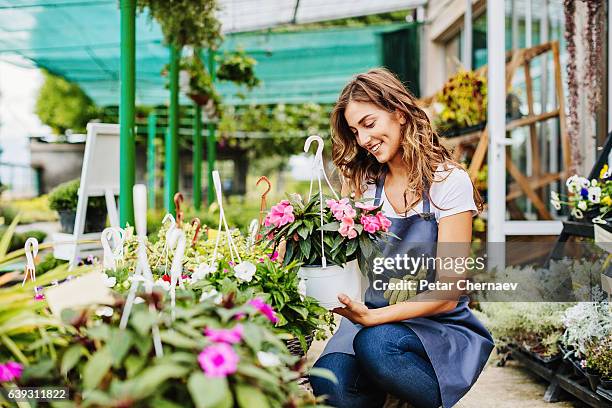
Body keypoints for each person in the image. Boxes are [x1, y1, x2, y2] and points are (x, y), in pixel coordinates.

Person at [309, 68, 494, 408]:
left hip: (435, 325)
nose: (363, 139)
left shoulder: (447, 183)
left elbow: (449, 292)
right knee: (327, 380)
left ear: (398, 112)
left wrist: (372, 318)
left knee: (378, 346)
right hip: (372, 321)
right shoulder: (365, 185)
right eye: (355, 131)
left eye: (369, 123)